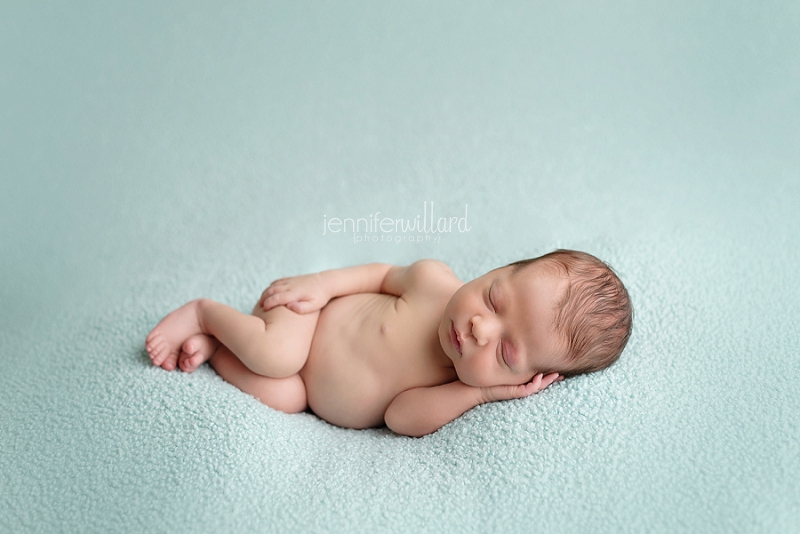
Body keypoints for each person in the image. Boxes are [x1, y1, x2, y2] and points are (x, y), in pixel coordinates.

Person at [145, 249, 632, 437]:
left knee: (285, 396)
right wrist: (321, 283)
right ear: (496, 269)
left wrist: (479, 393)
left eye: (505, 354)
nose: (481, 328)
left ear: (527, 379)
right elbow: (380, 274)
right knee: (279, 354)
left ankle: (218, 344)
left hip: (306, 391)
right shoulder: (434, 282)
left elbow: (399, 418)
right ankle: (204, 311)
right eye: (493, 297)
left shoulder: (452, 384)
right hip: (303, 315)